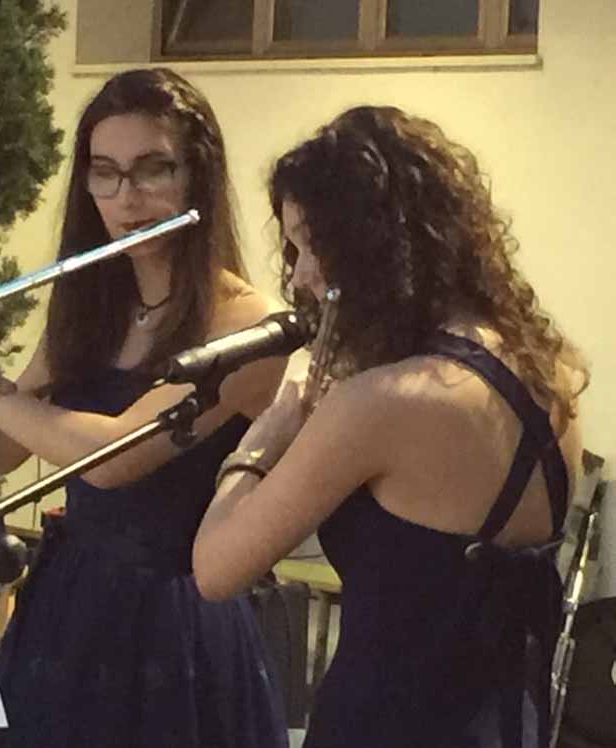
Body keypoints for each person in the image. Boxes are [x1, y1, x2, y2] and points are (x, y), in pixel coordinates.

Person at [0, 68, 290, 747]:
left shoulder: (248, 325)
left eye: (152, 170)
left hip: (175, 625)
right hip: (68, 606)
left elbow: (113, 457)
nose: (127, 197)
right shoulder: (93, 306)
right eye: (104, 174)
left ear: (197, 176)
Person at [192, 105, 589, 748]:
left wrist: (260, 442)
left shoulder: (383, 403)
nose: (300, 276)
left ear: (371, 246)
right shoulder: (553, 372)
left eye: (311, 246)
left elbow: (216, 570)